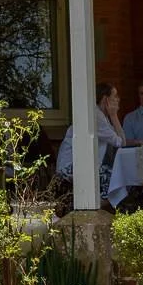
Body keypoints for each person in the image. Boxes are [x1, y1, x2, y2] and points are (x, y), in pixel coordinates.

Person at [58, 81, 129, 209]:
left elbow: (121, 140)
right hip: (70, 167)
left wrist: (112, 116)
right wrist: (114, 115)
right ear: (105, 99)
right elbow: (121, 143)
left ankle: (96, 208)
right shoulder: (95, 117)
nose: (118, 99)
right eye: (115, 96)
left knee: (119, 175)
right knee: (116, 177)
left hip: (85, 165)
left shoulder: (101, 116)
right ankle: (90, 209)